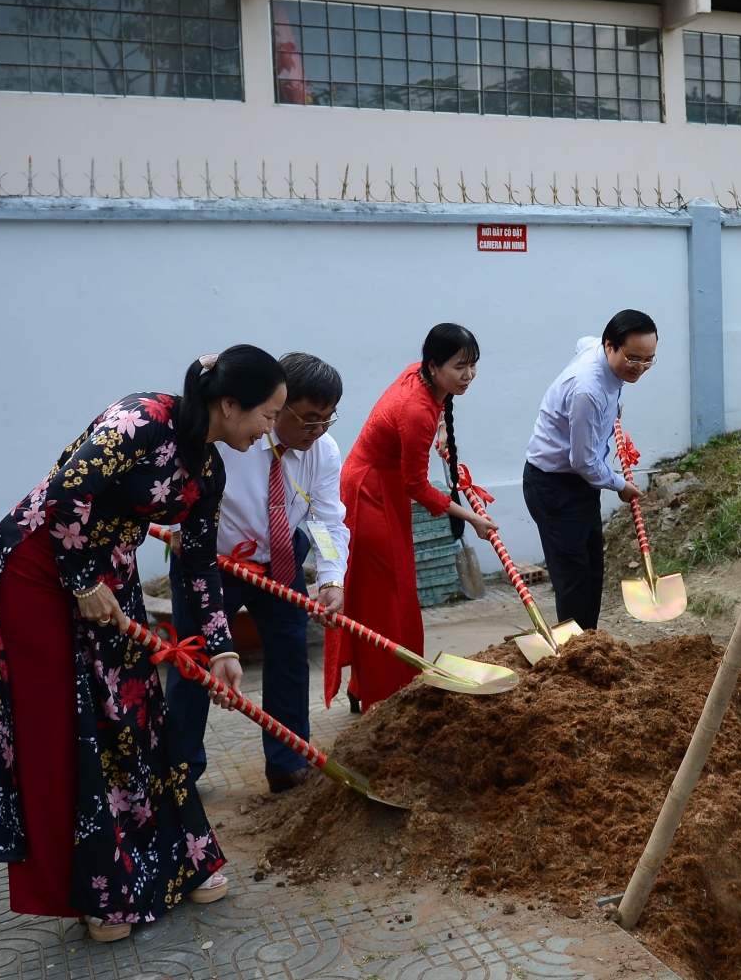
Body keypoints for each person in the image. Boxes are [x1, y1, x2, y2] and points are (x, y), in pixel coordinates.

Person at [0, 346, 287, 941]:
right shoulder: (140, 418)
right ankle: (100, 890)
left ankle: (182, 861)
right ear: (229, 404)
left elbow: (197, 563)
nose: (271, 432)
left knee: (136, 710)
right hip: (39, 568)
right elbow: (65, 493)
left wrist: (218, 648)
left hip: (106, 572)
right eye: (267, 416)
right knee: (75, 721)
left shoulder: (208, 470)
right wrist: (80, 580)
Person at [165, 353, 349, 794]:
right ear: (277, 404)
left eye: (327, 419)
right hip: (212, 563)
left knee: (289, 652)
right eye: (308, 419)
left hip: (280, 560)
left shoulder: (322, 451)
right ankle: (178, 767)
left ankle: (287, 759)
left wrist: (330, 578)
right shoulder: (234, 436)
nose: (318, 430)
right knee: (193, 658)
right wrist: (177, 529)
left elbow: (325, 521)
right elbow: (180, 485)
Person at [329, 324, 497, 711]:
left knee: (390, 597)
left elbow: (428, 417)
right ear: (434, 366)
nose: (468, 375)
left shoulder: (416, 374)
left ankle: (367, 686)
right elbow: (417, 487)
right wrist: (472, 518)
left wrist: (439, 431)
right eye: (460, 367)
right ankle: (382, 699)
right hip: (371, 495)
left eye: (473, 365)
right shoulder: (416, 410)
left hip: (378, 485)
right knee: (384, 605)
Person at [523, 309, 656, 632]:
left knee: (592, 568)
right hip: (555, 486)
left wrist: (614, 412)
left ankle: (589, 639)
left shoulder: (597, 351)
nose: (640, 367)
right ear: (610, 346)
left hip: (580, 484)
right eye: (633, 358)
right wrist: (619, 484)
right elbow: (582, 461)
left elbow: (583, 341)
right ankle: (574, 656)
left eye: (649, 359)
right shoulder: (588, 392)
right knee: (573, 577)